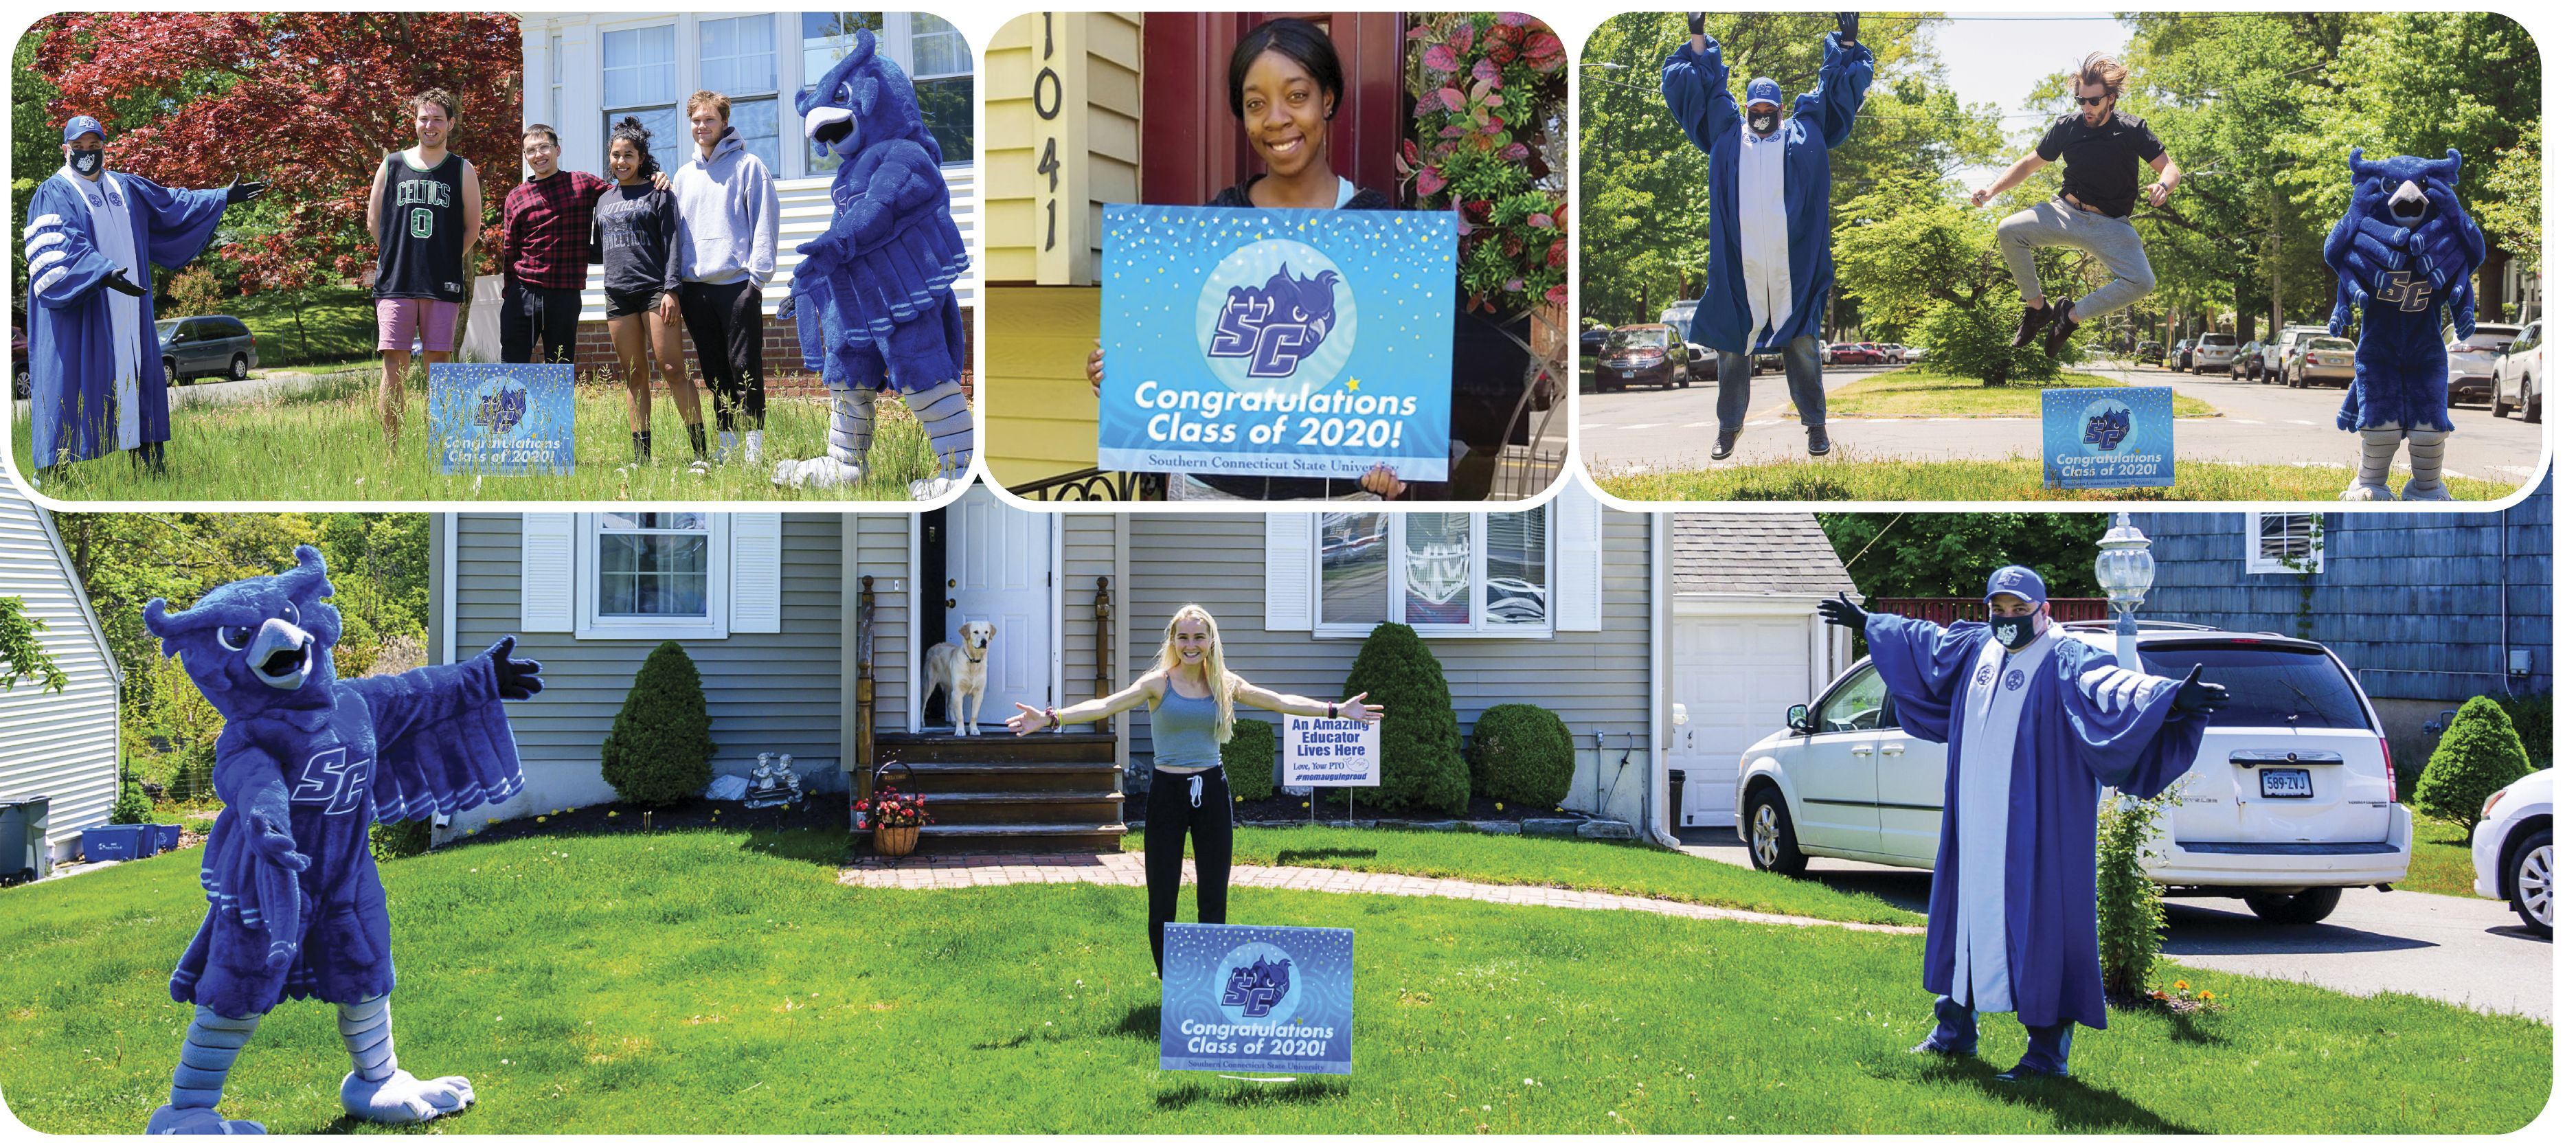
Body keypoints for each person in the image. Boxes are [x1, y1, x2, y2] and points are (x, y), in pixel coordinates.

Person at [1818, 567, 2228, 1081]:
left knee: (2044, 923)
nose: (2007, 619)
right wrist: (1870, 622)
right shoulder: (1977, 649)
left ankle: (2045, 1055)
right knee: (1966, 915)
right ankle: (1954, 1031)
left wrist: (2169, 697)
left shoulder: (2066, 656)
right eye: (1999, 609)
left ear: (2044, 610)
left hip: (2040, 827)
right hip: (1974, 821)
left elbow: (2111, 684)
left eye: (2019, 610)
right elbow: (1926, 642)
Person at [1083, 19, 1415, 501]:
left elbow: (1400, 369)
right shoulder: (1217, 222)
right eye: (1256, 104)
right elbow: (1170, 352)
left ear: (1328, 99)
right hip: (1211, 490)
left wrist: (1395, 459)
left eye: (1296, 96)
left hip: (1337, 495)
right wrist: (1118, 374)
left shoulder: (1376, 226)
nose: (1276, 118)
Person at [1004, 605, 1384, 973]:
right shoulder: (1157, 683)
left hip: (1213, 792)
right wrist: (1052, 717)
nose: (1191, 644)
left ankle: (1207, 983)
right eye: (1183, 637)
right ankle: (1172, 985)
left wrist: (1334, 710)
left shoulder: (1224, 683)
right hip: (1168, 793)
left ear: (1211, 641)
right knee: (1163, 899)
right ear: (1173, 639)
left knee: (1214, 897)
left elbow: (1279, 701)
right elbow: (1105, 705)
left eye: (1199, 637)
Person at [1662, 12, 1871, 461]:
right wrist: (1697, 38)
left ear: (1780, 110)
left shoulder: (1804, 133)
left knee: (1804, 346)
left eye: (1768, 112)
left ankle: (1816, 427)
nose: (1760, 118)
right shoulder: (1726, 135)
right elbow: (1702, 90)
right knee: (1733, 352)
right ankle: (1728, 429)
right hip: (1741, 270)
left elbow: (1834, 94)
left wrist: (1848, 46)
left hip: (1792, 272)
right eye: (1754, 111)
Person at [21, 115, 262, 478]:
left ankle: (150, 461)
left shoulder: (125, 187)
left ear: (105, 146)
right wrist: (101, 272)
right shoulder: (54, 192)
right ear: (65, 149)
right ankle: (55, 474)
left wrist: (221, 197)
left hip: (131, 307)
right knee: (69, 383)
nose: (87, 153)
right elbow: (61, 246)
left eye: (94, 146)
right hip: (86, 307)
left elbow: (172, 205)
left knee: (140, 374)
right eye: (79, 147)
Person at [1972, 53, 2178, 357]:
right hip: (2065, 212)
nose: (2086, 108)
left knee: (2142, 282)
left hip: (2111, 224)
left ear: (2111, 98)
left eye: (2093, 102)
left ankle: (2069, 317)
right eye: (2080, 100)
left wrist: (2163, 186)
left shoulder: (2132, 129)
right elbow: (2030, 164)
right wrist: (1991, 190)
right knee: (2009, 231)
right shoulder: (2068, 127)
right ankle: (2037, 308)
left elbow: (2171, 169)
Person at [590, 116, 708, 469]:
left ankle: (701, 455)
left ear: (641, 158)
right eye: (615, 155)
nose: (621, 162)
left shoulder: (659, 193)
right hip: (618, 294)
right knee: (634, 374)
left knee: (672, 368)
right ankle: (641, 460)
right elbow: (598, 249)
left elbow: (673, 245)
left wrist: (672, 289)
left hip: (656, 290)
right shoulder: (602, 200)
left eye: (629, 155)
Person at [367, 89, 482, 449]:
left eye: (437, 119)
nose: (429, 125)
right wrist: (401, 256)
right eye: (423, 118)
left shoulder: (462, 169)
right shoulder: (392, 164)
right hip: (396, 282)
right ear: (414, 121)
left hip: (441, 284)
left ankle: (442, 450)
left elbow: (472, 229)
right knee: (393, 368)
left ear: (450, 123)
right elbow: (375, 222)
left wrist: (445, 260)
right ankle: (392, 454)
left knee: (440, 366)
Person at [672, 90, 780, 467]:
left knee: (745, 366)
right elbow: (678, 233)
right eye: (696, 121)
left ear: (724, 122)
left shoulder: (749, 167)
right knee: (714, 369)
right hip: (697, 289)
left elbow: (764, 223)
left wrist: (757, 283)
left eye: (709, 120)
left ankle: (753, 451)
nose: (702, 127)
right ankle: (727, 446)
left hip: (738, 287)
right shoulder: (683, 176)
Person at [497, 124, 664, 367]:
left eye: (544, 147)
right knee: (513, 364)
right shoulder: (516, 196)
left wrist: (652, 179)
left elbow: (623, 193)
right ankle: (508, 407)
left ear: (557, 150)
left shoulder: (581, 184)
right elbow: (509, 250)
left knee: (560, 367)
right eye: (531, 150)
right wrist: (509, 294)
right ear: (525, 156)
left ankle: (554, 407)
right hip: (524, 292)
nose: (538, 155)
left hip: (565, 293)